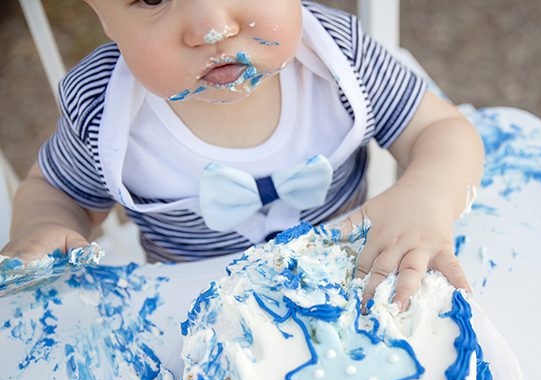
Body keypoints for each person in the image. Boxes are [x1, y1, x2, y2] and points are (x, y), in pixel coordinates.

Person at [2, 0, 484, 311]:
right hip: (192, 331)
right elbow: (57, 191)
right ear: (100, 13)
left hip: (353, 297)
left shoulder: (339, 61)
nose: (212, 26)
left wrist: (427, 198)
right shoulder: (103, 109)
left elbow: (440, 129)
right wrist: (41, 228)